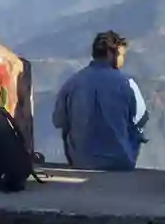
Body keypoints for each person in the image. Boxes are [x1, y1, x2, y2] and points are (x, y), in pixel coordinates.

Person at [52, 30, 149, 171]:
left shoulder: (73, 83)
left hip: (81, 162)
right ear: (111, 53)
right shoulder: (127, 84)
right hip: (120, 162)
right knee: (135, 128)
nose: (123, 60)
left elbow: (59, 121)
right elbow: (141, 120)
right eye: (122, 55)